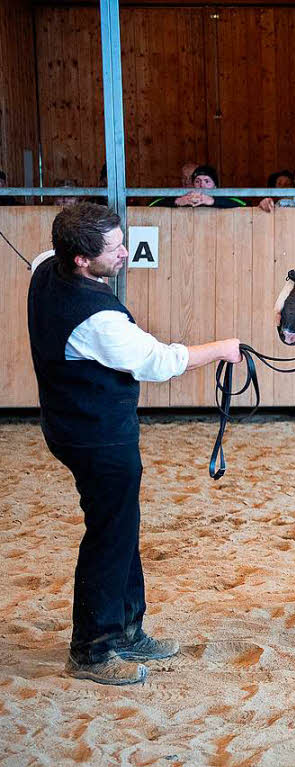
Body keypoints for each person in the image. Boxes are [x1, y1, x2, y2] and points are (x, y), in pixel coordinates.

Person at [27, 202, 243, 685]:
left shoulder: (46, 266)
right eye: (114, 248)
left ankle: (127, 627)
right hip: (97, 436)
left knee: (119, 527)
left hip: (71, 424)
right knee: (109, 534)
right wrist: (221, 350)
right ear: (81, 260)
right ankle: (92, 648)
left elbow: (42, 254)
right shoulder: (97, 320)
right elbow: (159, 362)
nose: (125, 252)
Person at [150, 164, 245, 208]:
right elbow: (151, 204)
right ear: (193, 184)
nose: (202, 185)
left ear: (215, 186)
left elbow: (244, 204)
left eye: (207, 181)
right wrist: (177, 201)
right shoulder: (185, 198)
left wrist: (213, 201)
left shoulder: (220, 198)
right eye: (197, 181)